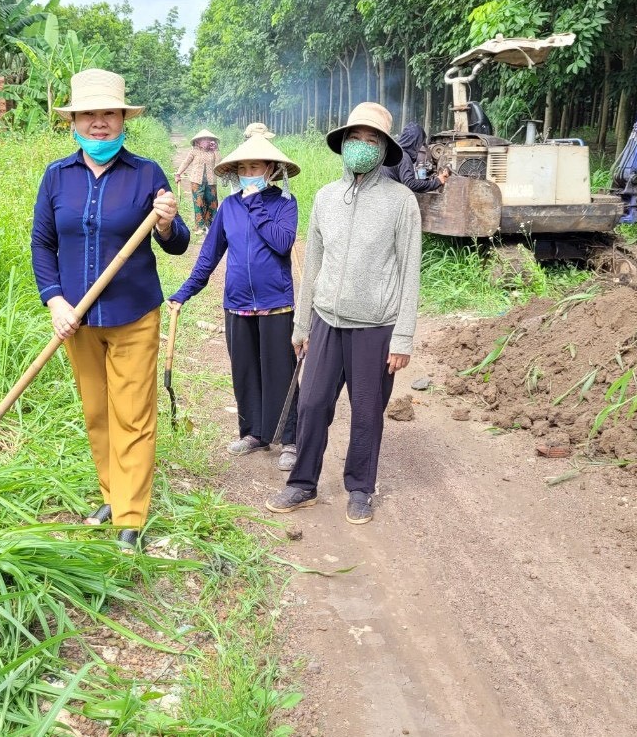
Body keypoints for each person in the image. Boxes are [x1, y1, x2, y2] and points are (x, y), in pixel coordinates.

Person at [31, 68, 189, 550]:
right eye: (89, 114)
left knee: (134, 414)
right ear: (73, 122)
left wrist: (165, 223)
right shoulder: (57, 177)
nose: (99, 122)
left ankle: (131, 517)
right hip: (77, 319)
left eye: (109, 113)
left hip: (134, 314)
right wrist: (55, 300)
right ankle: (112, 493)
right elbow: (42, 243)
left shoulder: (146, 174)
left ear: (123, 119)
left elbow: (178, 244)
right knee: (97, 412)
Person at [265, 101, 421, 526]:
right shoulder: (326, 197)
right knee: (313, 403)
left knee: (367, 412)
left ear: (384, 148)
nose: (362, 147)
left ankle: (360, 488)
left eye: (372, 140)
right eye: (356, 138)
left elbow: (410, 271)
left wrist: (403, 336)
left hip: (376, 327)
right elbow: (312, 263)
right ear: (344, 143)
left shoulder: (401, 201)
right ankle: (303, 484)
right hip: (325, 322)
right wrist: (302, 324)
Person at [168, 134, 301, 470]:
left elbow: (282, 243)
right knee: (245, 371)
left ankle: (290, 439)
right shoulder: (228, 207)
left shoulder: (285, 204)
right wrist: (183, 293)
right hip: (237, 304)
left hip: (276, 304)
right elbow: (208, 258)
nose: (248, 172)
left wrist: (255, 202)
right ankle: (254, 434)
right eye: (243, 167)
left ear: (270, 169)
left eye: (254, 166)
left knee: (280, 372)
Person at [381, 121, 450, 191]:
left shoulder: (394, 152)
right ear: (415, 142)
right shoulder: (403, 157)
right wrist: (437, 182)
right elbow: (410, 184)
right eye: (420, 144)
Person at [175, 128, 220, 234]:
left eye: (208, 139)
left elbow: (219, 163)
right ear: (198, 141)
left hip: (211, 181)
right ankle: (200, 226)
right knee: (198, 203)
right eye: (204, 139)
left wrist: (216, 150)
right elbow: (186, 162)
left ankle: (212, 225)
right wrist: (178, 174)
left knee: (212, 203)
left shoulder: (214, 151)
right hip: (196, 181)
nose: (207, 141)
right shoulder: (194, 151)